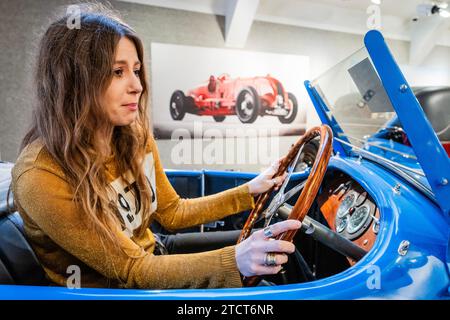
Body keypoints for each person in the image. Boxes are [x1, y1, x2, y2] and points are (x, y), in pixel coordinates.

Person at [11, 3, 301, 289]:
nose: (137, 85)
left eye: (136, 70)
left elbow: (172, 212)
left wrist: (250, 190)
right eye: (117, 72)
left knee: (276, 265)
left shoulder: (133, 137)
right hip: (115, 290)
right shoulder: (40, 174)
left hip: (154, 252)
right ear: (73, 81)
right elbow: (131, 268)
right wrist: (235, 260)